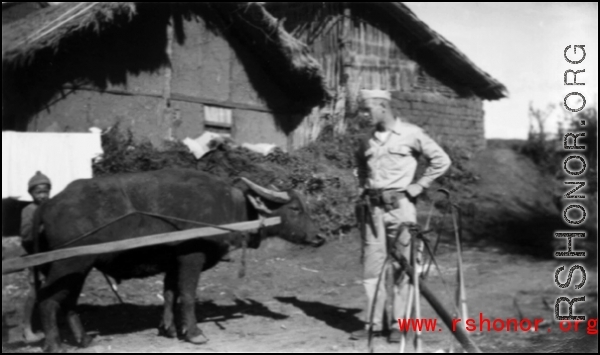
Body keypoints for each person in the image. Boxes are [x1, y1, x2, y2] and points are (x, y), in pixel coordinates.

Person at [350, 89, 451, 343]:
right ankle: (374, 324)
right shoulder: (366, 140)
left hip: (401, 207)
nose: (364, 115)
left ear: (383, 106)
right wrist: (362, 188)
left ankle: (398, 324)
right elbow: (360, 166)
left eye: (367, 109)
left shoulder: (411, 134)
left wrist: (418, 186)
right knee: (372, 268)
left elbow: (441, 160)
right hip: (372, 210)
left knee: (403, 267)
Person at [19, 171, 52, 343]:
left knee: (51, 288)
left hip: (49, 255)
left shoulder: (52, 207)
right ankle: (27, 329)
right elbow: (25, 235)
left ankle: (49, 324)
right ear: (31, 193)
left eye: (45, 191)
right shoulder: (28, 210)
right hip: (33, 255)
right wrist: (40, 228)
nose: (43, 196)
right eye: (38, 192)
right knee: (34, 291)